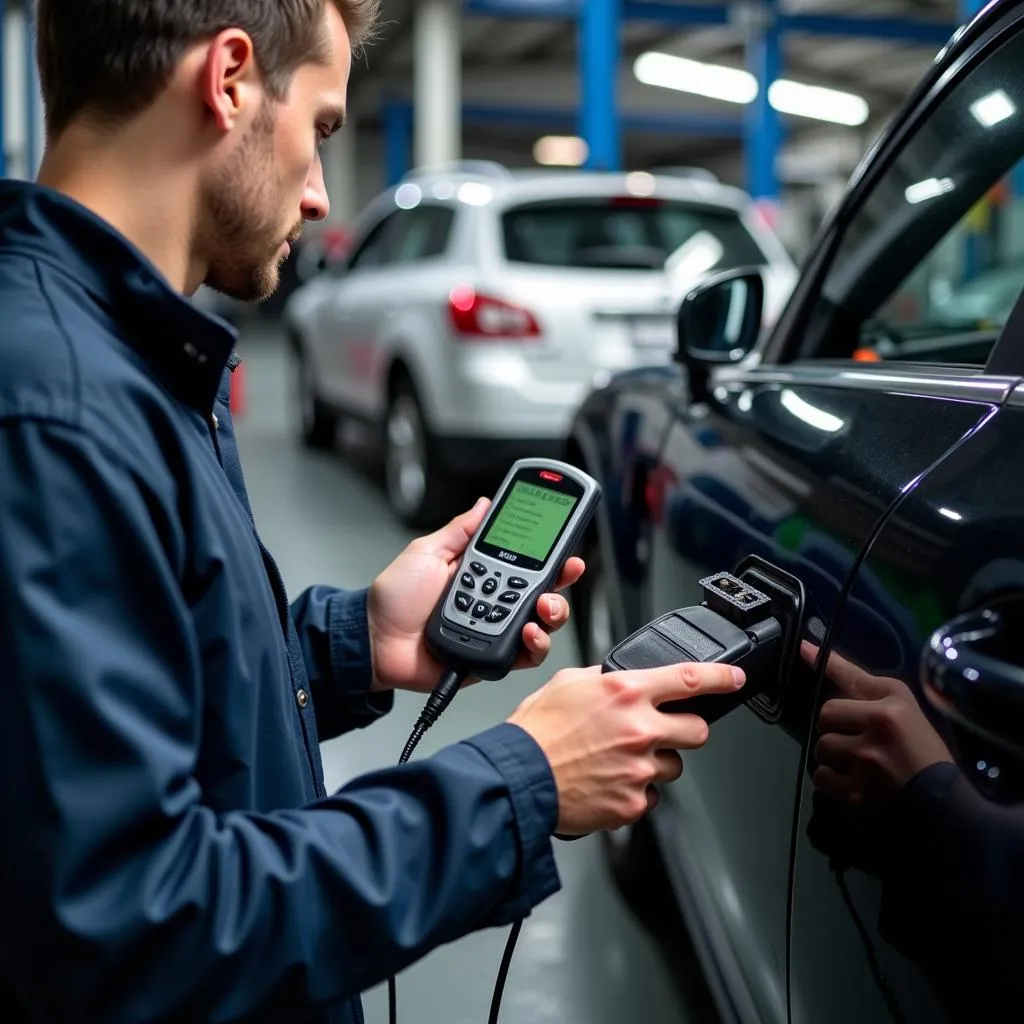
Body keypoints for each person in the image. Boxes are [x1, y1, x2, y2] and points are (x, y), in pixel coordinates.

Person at [0, 2, 747, 1021]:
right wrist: (522, 780)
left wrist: (354, 641)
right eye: (321, 128)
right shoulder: (57, 414)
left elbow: (155, 696)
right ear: (227, 81)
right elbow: (136, 930)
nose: (317, 195)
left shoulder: (119, 359)